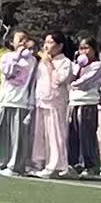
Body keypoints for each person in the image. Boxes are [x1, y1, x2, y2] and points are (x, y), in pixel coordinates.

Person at [27, 31, 73, 178]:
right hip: (42, 100)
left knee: (55, 134)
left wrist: (49, 64)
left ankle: (56, 166)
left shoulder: (65, 62)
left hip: (55, 102)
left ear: (60, 46)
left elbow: (59, 80)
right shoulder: (42, 61)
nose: (46, 46)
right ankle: (41, 163)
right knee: (41, 135)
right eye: (45, 42)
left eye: (50, 42)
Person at [0, 30, 38, 177]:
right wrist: (17, 56)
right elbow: (8, 72)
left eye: (26, 39)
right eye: (20, 39)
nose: (23, 42)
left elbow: (32, 83)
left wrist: (31, 103)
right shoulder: (6, 57)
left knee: (18, 137)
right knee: (2, 134)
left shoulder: (32, 61)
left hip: (21, 102)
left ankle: (15, 166)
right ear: (12, 42)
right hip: (6, 100)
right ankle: (1, 163)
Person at [66, 36, 101, 178]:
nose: (83, 51)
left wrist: (73, 84)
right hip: (74, 102)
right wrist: (76, 66)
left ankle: (91, 165)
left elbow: (85, 82)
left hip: (88, 102)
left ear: (94, 50)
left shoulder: (96, 65)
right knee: (73, 135)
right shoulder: (76, 65)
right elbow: (69, 78)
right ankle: (75, 164)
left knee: (87, 135)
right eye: (81, 48)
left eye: (86, 48)